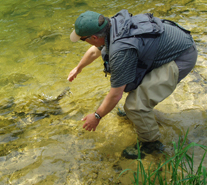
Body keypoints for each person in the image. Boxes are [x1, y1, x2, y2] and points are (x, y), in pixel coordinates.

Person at [67, 9, 197, 157]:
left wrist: (97, 116)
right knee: (132, 87)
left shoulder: (120, 51)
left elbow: (116, 94)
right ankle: (140, 118)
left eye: (83, 39)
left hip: (181, 56)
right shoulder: (113, 26)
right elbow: (95, 50)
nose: (83, 42)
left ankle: (151, 144)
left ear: (94, 37)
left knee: (135, 106)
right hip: (172, 44)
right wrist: (78, 68)